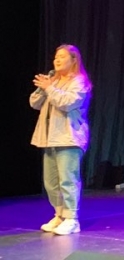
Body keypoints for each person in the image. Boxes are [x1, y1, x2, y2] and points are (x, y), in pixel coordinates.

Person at [31, 44, 93, 236]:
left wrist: (50, 88)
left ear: (74, 60)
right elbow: (34, 103)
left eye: (62, 57)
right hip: (50, 138)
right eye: (55, 57)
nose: (56, 60)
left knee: (67, 179)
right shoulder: (53, 81)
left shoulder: (79, 82)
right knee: (51, 182)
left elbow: (67, 103)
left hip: (68, 137)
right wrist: (44, 88)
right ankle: (59, 215)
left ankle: (72, 218)